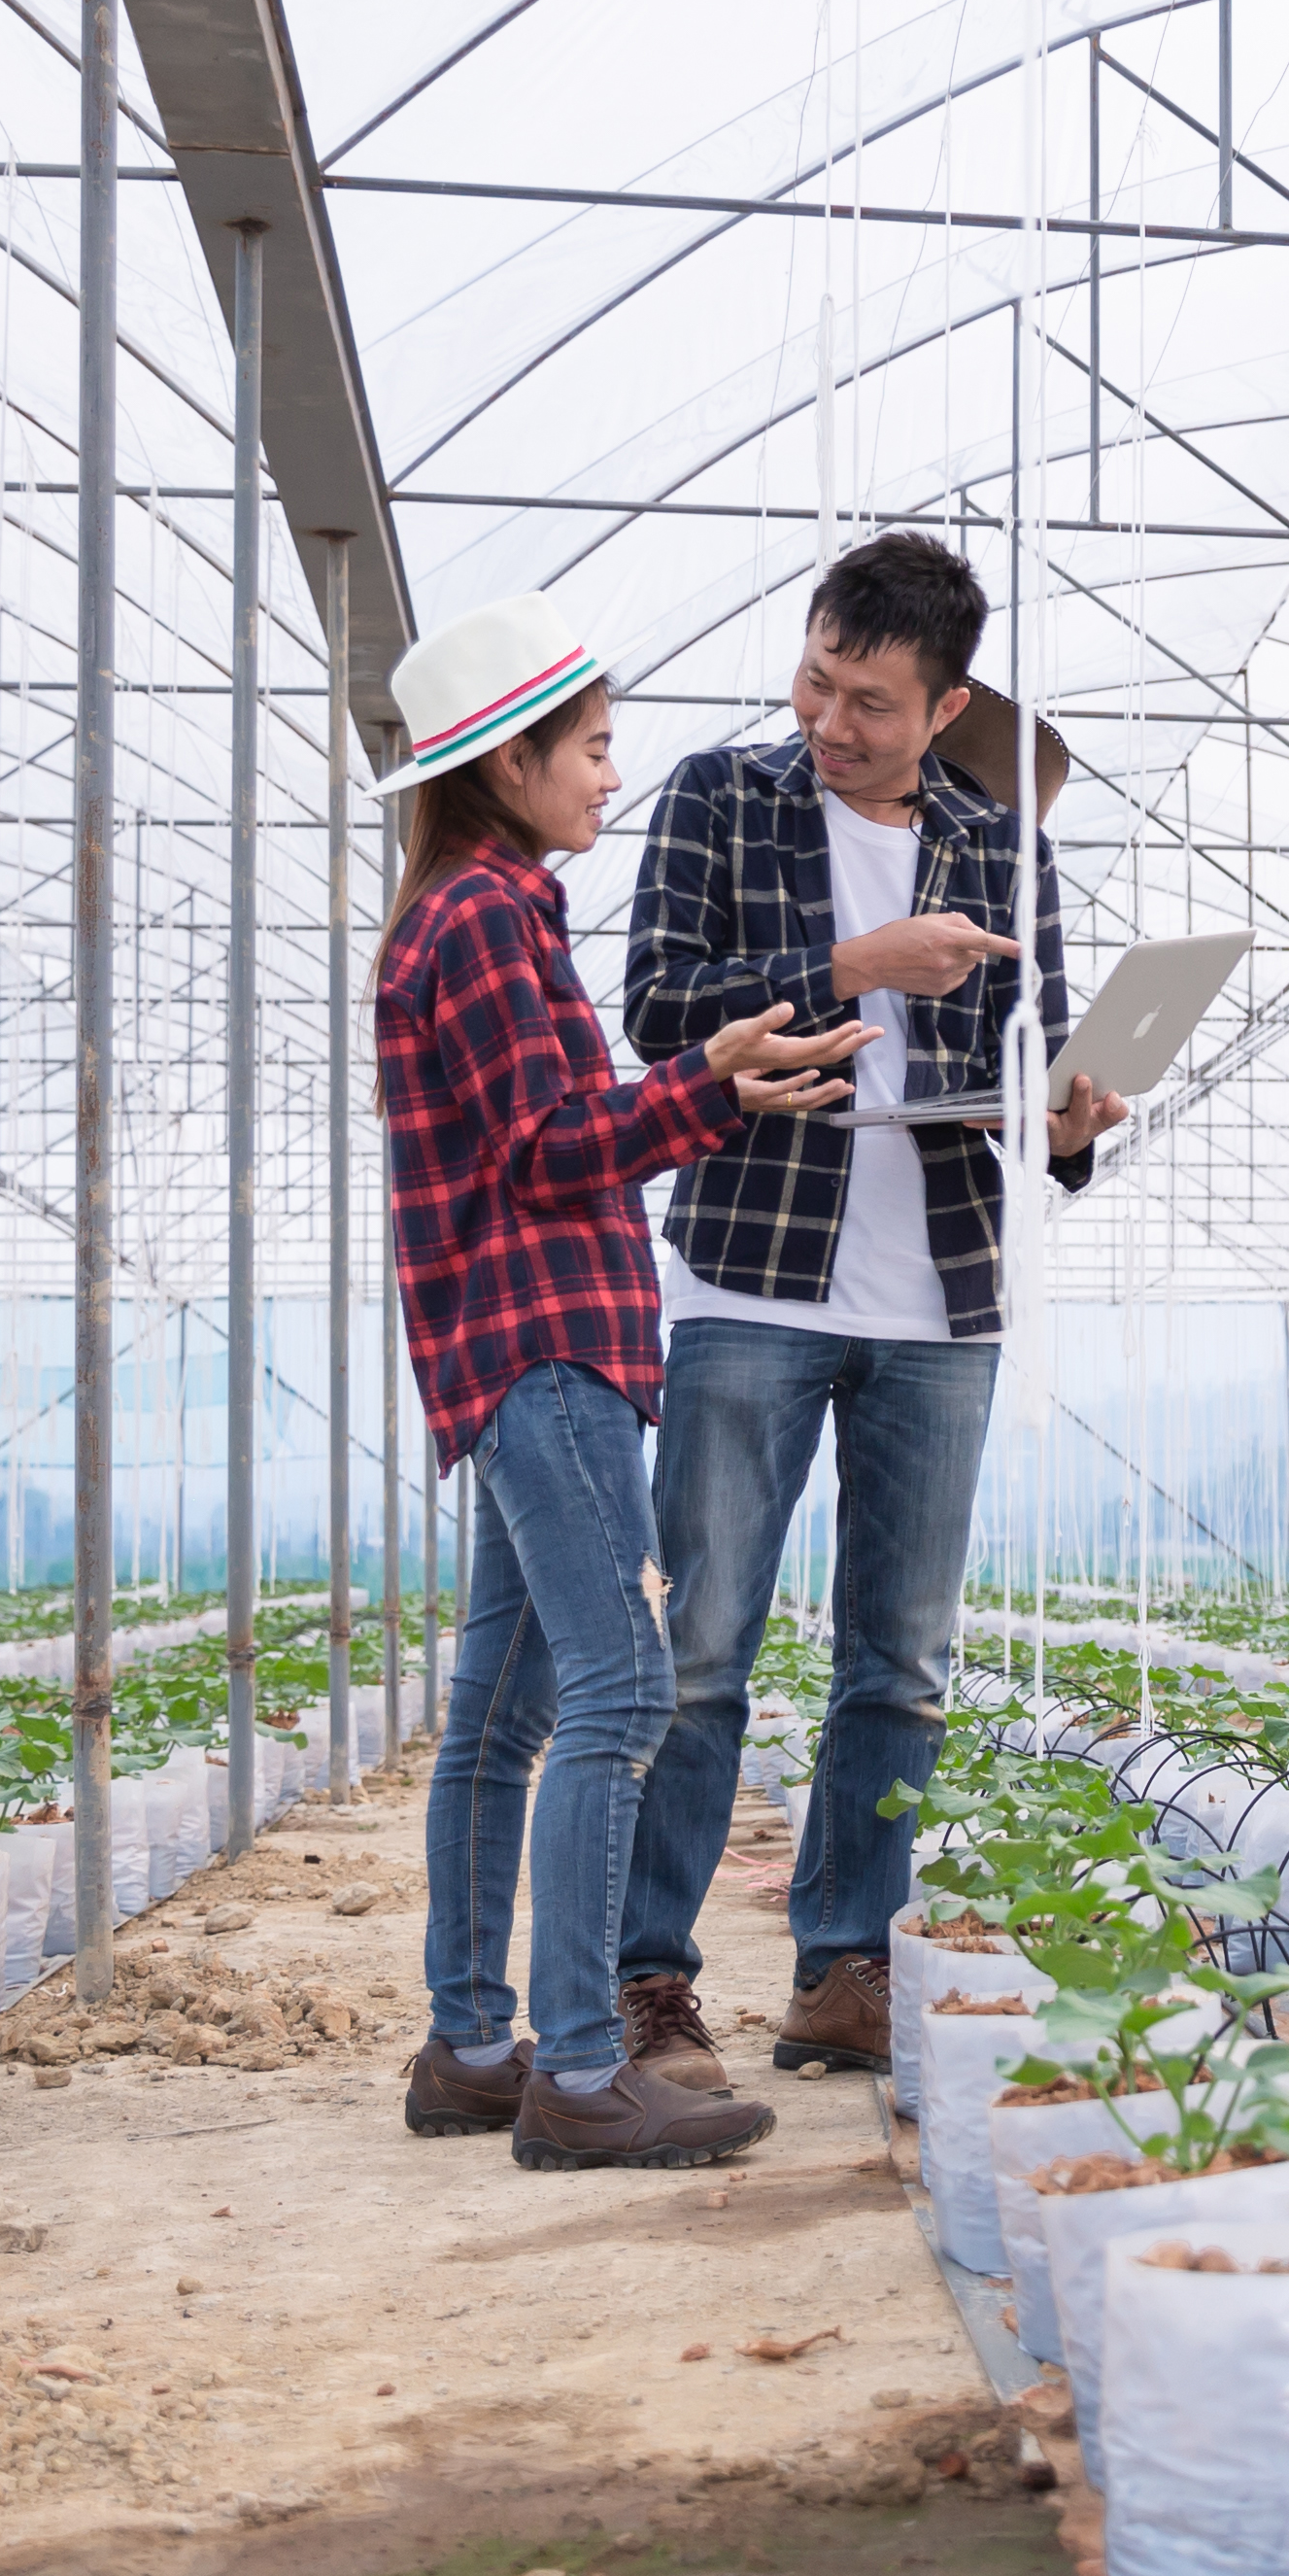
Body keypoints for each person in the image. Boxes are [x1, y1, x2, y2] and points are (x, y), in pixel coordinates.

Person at [373, 594, 873, 2169]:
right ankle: (583, 2070)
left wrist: (705, 1089)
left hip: (517, 1351)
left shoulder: (476, 912)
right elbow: (546, 1149)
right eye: (590, 748)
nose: (608, 774)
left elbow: (539, 1133)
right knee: (624, 1689)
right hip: (548, 1349)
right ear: (506, 762)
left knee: (503, 1709)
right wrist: (707, 1082)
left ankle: (473, 2047)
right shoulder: (481, 920)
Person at [622, 532, 1123, 2083]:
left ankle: (844, 1968)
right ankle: (650, 1981)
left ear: (946, 706)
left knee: (899, 1664)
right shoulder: (720, 796)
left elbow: (1037, 1060)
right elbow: (656, 1005)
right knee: (701, 1651)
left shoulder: (1001, 847)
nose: (832, 721)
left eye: (872, 702)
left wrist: (1070, 1121)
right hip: (750, 1280)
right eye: (817, 682)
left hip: (943, 1298)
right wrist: (860, 962)